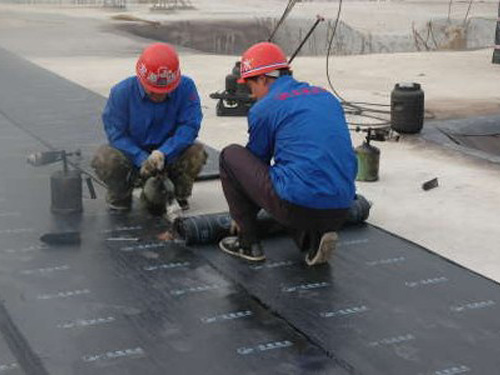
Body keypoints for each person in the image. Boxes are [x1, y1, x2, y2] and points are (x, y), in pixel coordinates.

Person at [218, 42, 357, 266]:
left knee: (230, 156)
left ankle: (248, 243)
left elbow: (254, 165)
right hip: (342, 206)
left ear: (263, 79)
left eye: (251, 86)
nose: (252, 95)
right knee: (296, 174)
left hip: (298, 206)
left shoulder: (264, 108)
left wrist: (241, 216)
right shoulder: (326, 97)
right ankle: (313, 239)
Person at [91, 43, 207, 213]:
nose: (159, 96)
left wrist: (164, 153)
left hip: (169, 157)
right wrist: (141, 158)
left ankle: (178, 194)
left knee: (196, 152)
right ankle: (120, 196)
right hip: (132, 158)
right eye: (154, 91)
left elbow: (190, 126)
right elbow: (115, 133)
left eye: (165, 91)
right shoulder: (121, 93)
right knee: (105, 157)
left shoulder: (186, 87)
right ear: (141, 78)